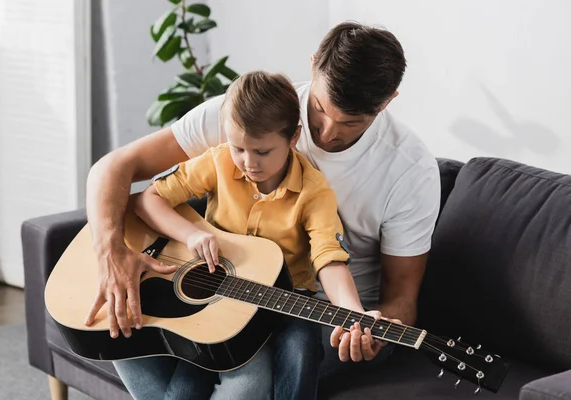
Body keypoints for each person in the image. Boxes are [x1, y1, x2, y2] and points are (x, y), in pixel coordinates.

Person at [84, 20, 440, 396]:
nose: (329, 132)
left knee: (250, 383)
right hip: (224, 287)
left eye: (351, 122)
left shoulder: (409, 171)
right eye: (319, 108)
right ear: (314, 63)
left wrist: (365, 325)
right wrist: (111, 251)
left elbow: (400, 297)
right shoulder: (247, 118)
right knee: (117, 322)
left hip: (321, 314)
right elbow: (114, 168)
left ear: (387, 102)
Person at [124, 70, 369, 400]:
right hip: (215, 294)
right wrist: (192, 234)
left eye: (262, 152)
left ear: (293, 137)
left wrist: (353, 312)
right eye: (239, 148)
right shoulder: (221, 160)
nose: (248, 162)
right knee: (193, 364)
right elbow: (148, 199)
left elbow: (329, 258)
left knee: (302, 347)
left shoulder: (314, 192)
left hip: (285, 300)